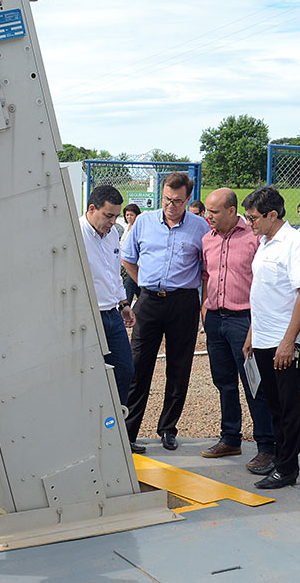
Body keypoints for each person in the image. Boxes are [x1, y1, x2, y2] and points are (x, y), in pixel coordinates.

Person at [122, 172, 209, 453]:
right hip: (148, 301)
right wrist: (143, 283)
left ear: (188, 199)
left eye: (178, 201)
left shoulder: (200, 227)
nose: (171, 205)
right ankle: (128, 431)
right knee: (138, 367)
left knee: (179, 367)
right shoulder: (145, 221)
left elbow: (206, 268)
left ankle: (168, 429)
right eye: (167, 199)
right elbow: (128, 257)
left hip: (183, 302)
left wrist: (203, 306)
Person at [242, 187, 300, 489]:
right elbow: (262, 291)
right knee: (272, 403)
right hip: (262, 337)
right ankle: (279, 456)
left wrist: (289, 341)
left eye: (254, 218)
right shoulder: (264, 242)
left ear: (273, 214)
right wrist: (251, 332)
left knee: (288, 405)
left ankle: (288, 468)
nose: (250, 223)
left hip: (284, 341)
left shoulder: (295, 244)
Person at [200, 188, 276, 475]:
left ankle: (267, 447)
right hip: (215, 319)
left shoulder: (255, 239)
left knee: (254, 385)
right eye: (207, 211)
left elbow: (264, 283)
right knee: (224, 382)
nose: (208, 217)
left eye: (215, 212)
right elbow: (206, 275)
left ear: (232, 211)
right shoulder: (207, 239)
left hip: (244, 320)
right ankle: (230, 438)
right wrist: (204, 307)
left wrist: (255, 326)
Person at [79, 186, 136, 409]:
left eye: (116, 216)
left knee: (125, 370)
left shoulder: (112, 234)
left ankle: (115, 430)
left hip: (112, 315)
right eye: (109, 215)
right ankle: (92, 432)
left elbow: (113, 273)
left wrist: (123, 304)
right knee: (88, 376)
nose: (114, 222)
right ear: (92, 208)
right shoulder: (74, 233)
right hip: (87, 318)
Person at [120, 203, 141, 306]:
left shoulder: (138, 228)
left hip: (134, 264)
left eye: (131, 215)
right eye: (127, 215)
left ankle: (124, 310)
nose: (129, 217)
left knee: (128, 288)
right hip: (125, 264)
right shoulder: (128, 227)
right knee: (140, 292)